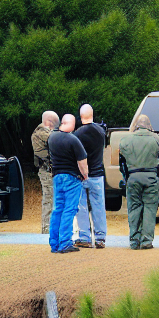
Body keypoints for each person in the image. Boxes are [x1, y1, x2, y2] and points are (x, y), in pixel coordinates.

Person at [120, 115, 159, 250]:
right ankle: (146, 241)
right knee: (150, 208)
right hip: (150, 177)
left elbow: (122, 153)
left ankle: (134, 240)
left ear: (137, 125)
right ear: (149, 126)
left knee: (134, 209)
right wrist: (154, 133)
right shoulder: (153, 137)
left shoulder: (126, 139)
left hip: (133, 177)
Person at [47, 113, 88, 253]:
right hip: (72, 177)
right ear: (71, 124)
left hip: (57, 177)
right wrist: (85, 175)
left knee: (57, 209)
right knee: (69, 209)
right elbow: (82, 162)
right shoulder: (73, 140)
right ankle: (65, 242)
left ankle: (54, 243)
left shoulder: (52, 137)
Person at [73, 103, 107, 249]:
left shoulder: (77, 134)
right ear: (92, 114)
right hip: (97, 174)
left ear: (80, 117)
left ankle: (85, 237)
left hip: (81, 175)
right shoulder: (101, 131)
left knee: (81, 207)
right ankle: (100, 238)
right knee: (98, 206)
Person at [30, 111, 59, 235]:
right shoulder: (41, 133)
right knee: (49, 199)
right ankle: (46, 229)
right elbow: (57, 140)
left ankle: (50, 228)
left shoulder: (46, 133)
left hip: (50, 172)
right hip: (47, 172)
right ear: (49, 122)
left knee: (53, 199)